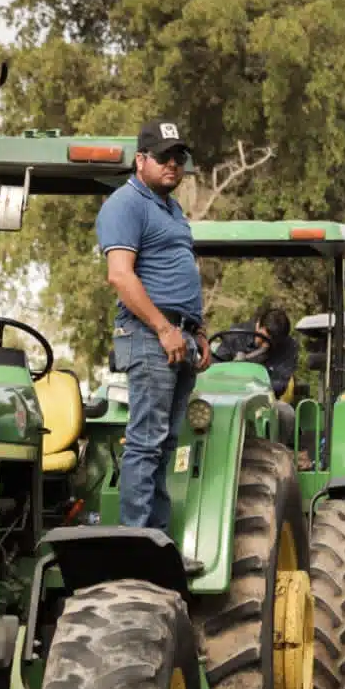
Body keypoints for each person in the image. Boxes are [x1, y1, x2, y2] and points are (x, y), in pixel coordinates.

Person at [95, 119, 211, 559]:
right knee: (145, 442)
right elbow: (120, 276)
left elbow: (177, 274)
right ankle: (136, 545)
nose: (173, 165)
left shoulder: (171, 209)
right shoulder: (126, 204)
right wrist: (164, 329)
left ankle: (158, 544)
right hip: (149, 336)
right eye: (163, 157)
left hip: (179, 336)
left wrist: (197, 332)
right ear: (140, 160)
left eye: (179, 158)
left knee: (165, 444)